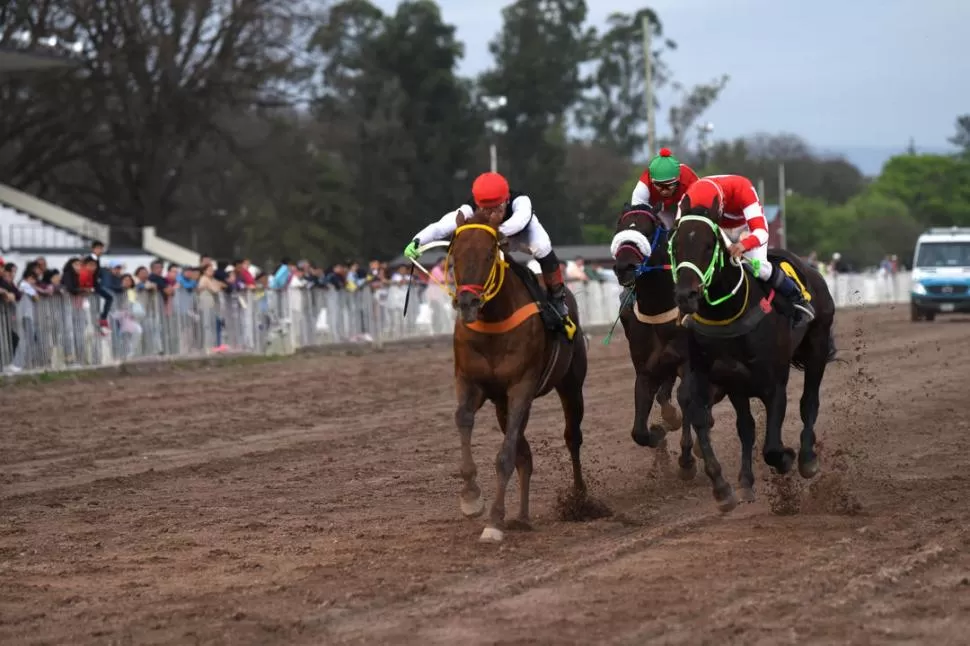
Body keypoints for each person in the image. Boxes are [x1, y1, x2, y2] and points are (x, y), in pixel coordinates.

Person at [403, 171, 569, 319]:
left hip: (523, 235)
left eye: (495, 208)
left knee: (543, 248)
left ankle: (557, 296)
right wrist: (417, 241)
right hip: (494, 238)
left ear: (506, 200)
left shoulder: (521, 201)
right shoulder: (470, 207)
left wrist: (491, 231)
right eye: (485, 209)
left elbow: (519, 222)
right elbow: (442, 226)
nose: (490, 213)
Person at [678, 175, 815, 323]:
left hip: (745, 225)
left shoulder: (743, 189)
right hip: (714, 227)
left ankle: (796, 299)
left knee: (759, 267)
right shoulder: (688, 198)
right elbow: (677, 233)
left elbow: (761, 232)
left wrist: (743, 245)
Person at [630, 148, 699, 228]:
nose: (664, 191)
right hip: (657, 209)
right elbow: (637, 217)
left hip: (684, 206)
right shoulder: (643, 186)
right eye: (659, 186)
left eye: (669, 185)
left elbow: (700, 210)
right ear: (652, 180)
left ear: (678, 179)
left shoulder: (690, 179)